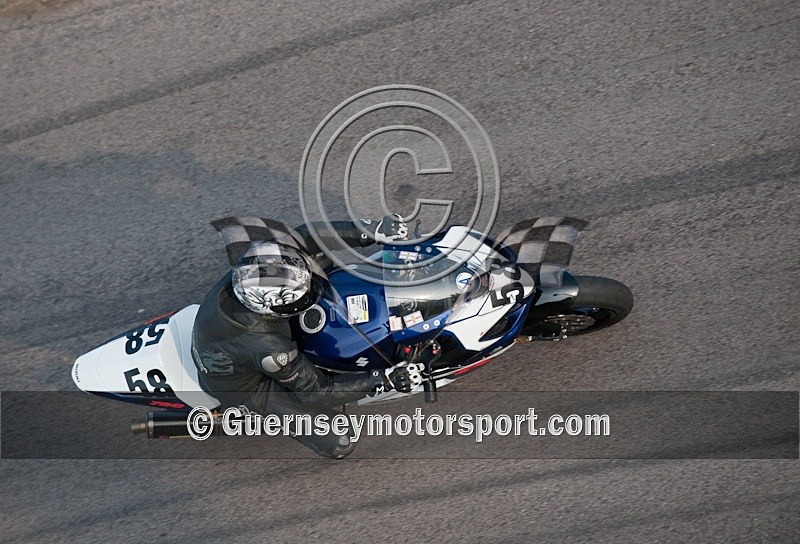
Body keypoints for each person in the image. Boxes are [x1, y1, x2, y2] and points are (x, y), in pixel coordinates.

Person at [191, 214, 424, 458]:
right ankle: (254, 417)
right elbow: (315, 392)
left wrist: (369, 231)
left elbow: (306, 236)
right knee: (340, 440)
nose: (312, 290)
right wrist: (382, 380)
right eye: (301, 295)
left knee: (318, 261)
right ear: (272, 308)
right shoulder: (270, 348)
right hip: (247, 386)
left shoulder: (262, 263)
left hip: (234, 338)